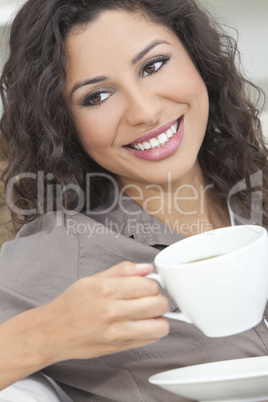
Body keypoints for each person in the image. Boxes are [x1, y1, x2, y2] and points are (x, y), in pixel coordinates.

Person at [0, 0, 268, 401]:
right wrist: (45, 334)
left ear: (197, 58)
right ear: (63, 123)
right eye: (97, 96)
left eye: (153, 65)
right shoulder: (67, 251)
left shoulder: (251, 188)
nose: (144, 111)